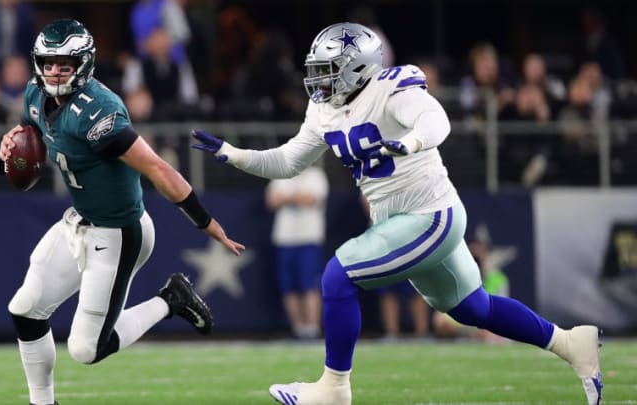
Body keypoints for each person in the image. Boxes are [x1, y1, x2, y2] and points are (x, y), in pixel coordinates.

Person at [191, 22, 602, 405]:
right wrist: (233, 153)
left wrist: (414, 142)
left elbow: (435, 119)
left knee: (339, 273)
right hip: (402, 222)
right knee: (473, 308)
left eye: (328, 69)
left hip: (430, 214)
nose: (318, 79)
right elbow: (287, 161)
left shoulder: (390, 88)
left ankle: (334, 388)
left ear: (357, 68)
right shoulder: (324, 109)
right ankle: (570, 343)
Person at [0, 19, 244, 405]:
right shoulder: (34, 95)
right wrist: (2, 154)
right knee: (25, 309)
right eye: (48, 62)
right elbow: (23, 150)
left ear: (85, 64)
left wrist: (205, 221)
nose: (54, 71)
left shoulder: (99, 113)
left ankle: (171, 299)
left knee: (87, 349)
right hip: (78, 223)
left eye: (65, 64)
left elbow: (158, 168)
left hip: (118, 233)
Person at [266, 164, 329, 340]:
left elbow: (312, 199)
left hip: (308, 238)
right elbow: (272, 201)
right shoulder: (280, 173)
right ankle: (299, 329)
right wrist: (297, 197)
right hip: (285, 238)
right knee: (288, 286)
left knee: (310, 284)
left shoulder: (316, 176)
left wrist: (287, 198)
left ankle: (313, 327)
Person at [432, 239, 510, 343]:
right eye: (472, 256)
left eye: (478, 257)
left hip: (485, 322)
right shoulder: (456, 274)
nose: (475, 261)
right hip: (462, 322)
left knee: (496, 328)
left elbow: (503, 309)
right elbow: (444, 307)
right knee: (440, 320)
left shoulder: (498, 278)